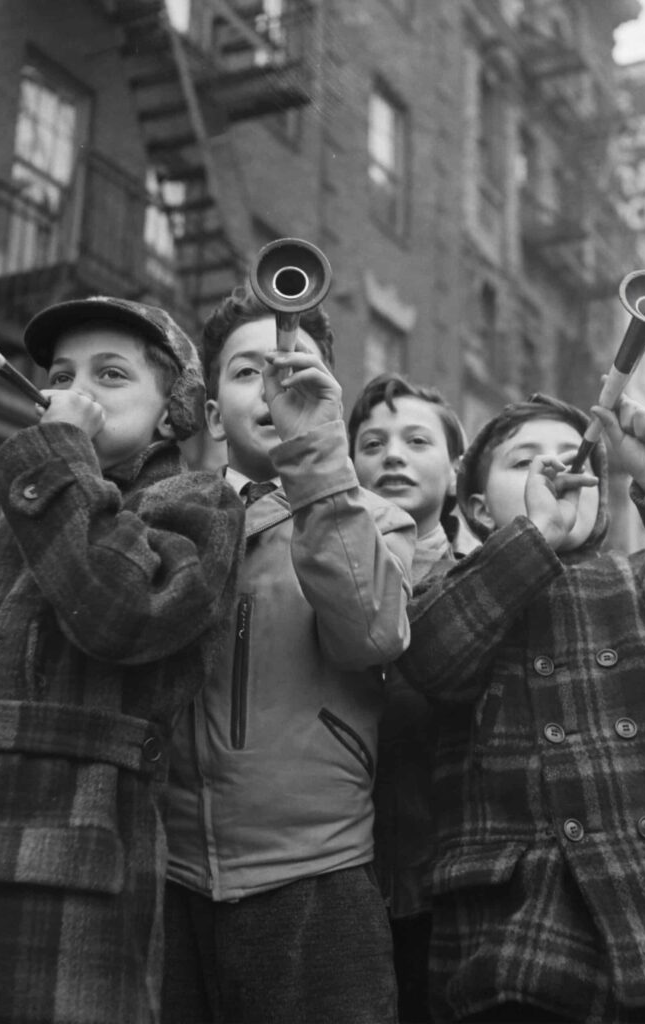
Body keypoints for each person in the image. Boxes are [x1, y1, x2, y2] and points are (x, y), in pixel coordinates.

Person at [0, 296, 245, 1024]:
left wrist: (61, 451)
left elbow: (125, 613)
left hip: (43, 897)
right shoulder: (1, 535)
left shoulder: (199, 502)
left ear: (174, 414)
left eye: (111, 374)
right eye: (62, 375)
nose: (75, 390)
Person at [396, 391, 645, 1022]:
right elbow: (431, 661)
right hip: (515, 951)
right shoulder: (448, 591)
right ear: (477, 508)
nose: (558, 468)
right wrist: (532, 539)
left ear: (600, 498)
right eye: (524, 460)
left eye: (570, 453)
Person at [161, 286, 415, 1023]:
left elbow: (372, 635)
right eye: (248, 372)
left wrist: (315, 459)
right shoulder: (169, 516)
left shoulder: (380, 520)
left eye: (296, 368)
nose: (275, 383)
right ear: (213, 415)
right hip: (171, 875)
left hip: (318, 878)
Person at [348, 371, 469, 1023]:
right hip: (340, 886)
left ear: (455, 474)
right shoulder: (312, 582)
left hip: (456, 895)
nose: (392, 455)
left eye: (417, 441)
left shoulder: (486, 587)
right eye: (372, 444)